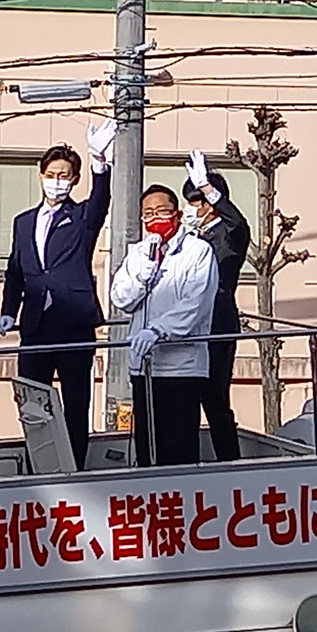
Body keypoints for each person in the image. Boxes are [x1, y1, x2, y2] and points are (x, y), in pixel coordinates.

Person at [0, 120, 118, 471]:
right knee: (33, 402)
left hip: (74, 323)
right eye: (51, 174)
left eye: (64, 175)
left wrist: (98, 161)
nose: (57, 180)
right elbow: (16, 271)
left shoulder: (81, 217)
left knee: (76, 403)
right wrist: (8, 311)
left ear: (74, 179)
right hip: (35, 325)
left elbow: (101, 201)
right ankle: (39, 468)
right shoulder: (23, 221)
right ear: (40, 175)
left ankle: (74, 468)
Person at [110, 184, 219, 467]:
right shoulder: (139, 253)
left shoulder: (198, 251)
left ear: (177, 213)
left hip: (182, 366)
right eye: (148, 213)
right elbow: (120, 297)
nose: (154, 218)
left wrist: (159, 330)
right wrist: (141, 279)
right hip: (143, 366)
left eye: (161, 211)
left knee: (178, 447)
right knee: (146, 446)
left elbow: (196, 302)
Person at [181, 150, 251, 462]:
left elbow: (239, 223)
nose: (190, 209)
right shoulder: (187, 237)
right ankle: (187, 461)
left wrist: (209, 188)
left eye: (195, 202)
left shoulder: (230, 234)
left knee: (215, 399)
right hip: (186, 325)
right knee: (185, 399)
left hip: (217, 324)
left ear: (210, 204)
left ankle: (229, 462)